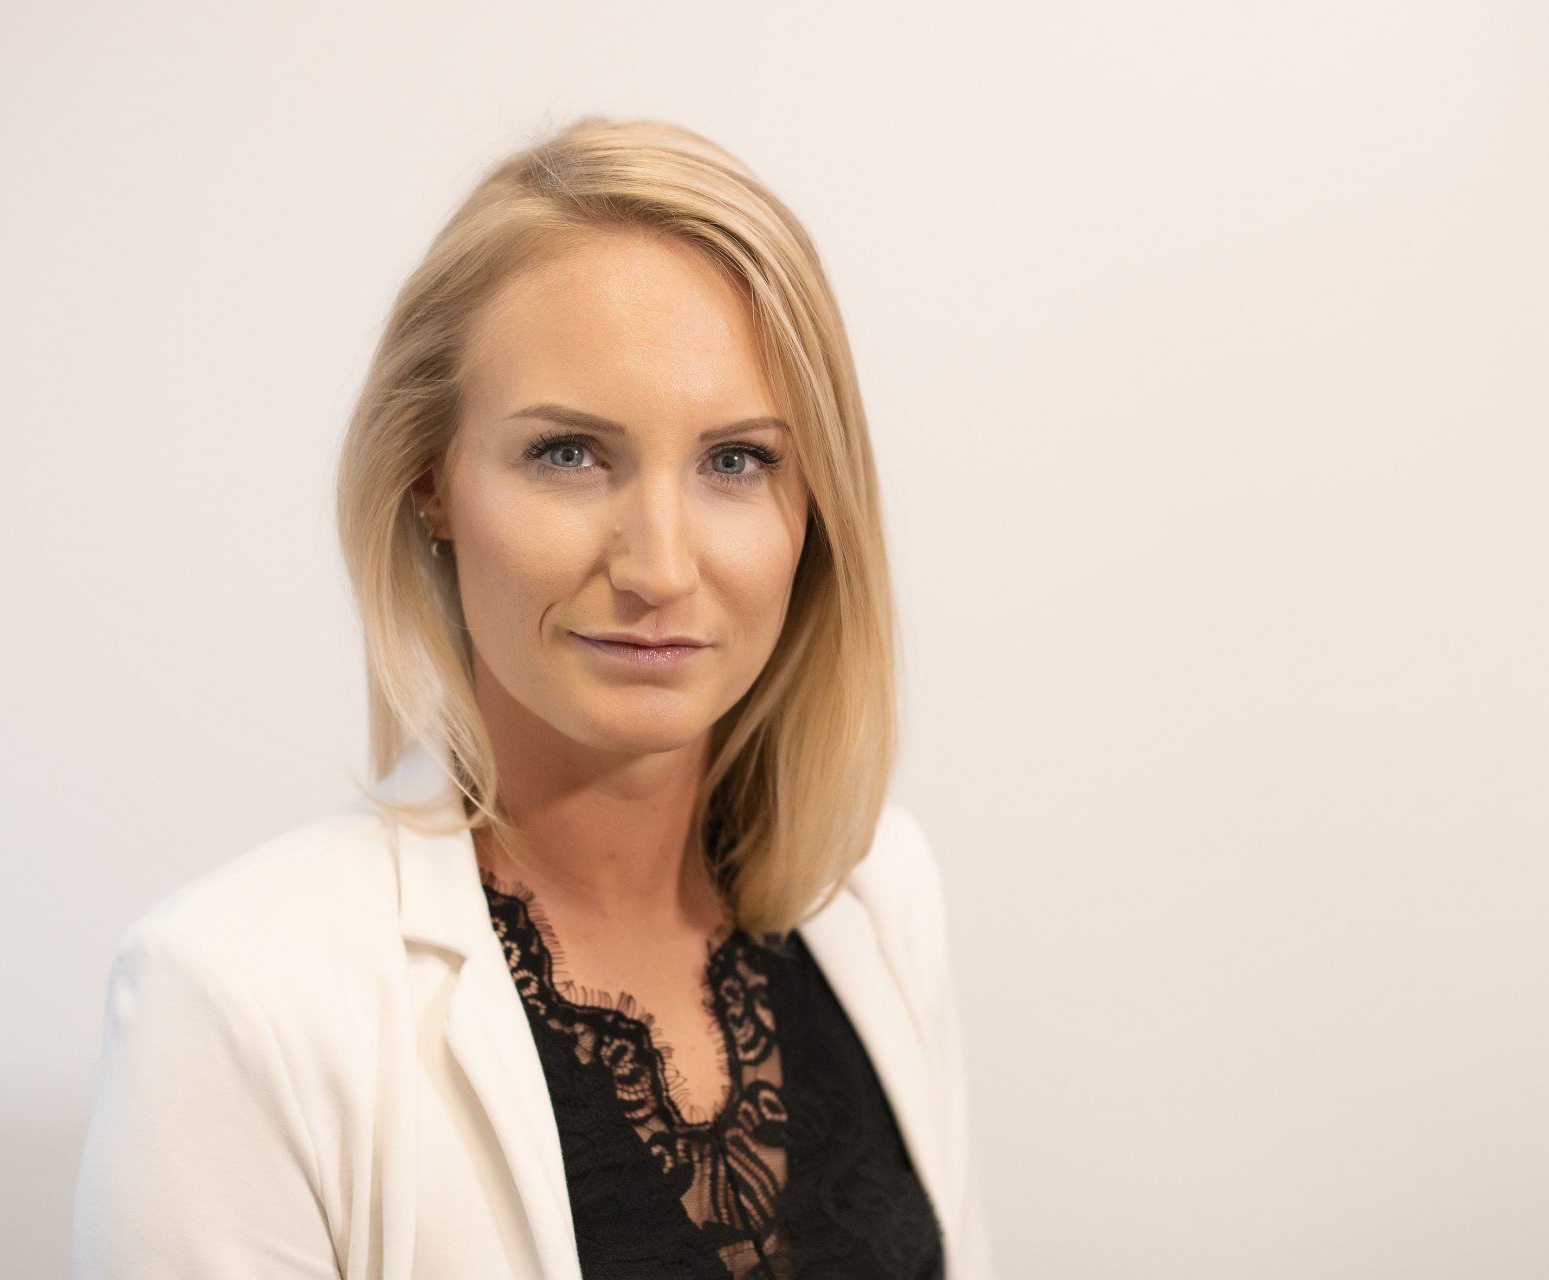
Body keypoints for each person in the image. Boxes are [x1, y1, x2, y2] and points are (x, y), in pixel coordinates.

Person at [71, 115, 1000, 1280]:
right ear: (430, 483)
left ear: (815, 506)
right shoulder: (232, 1001)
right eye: (570, 452)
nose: (660, 565)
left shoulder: (878, 888)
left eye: (737, 459)